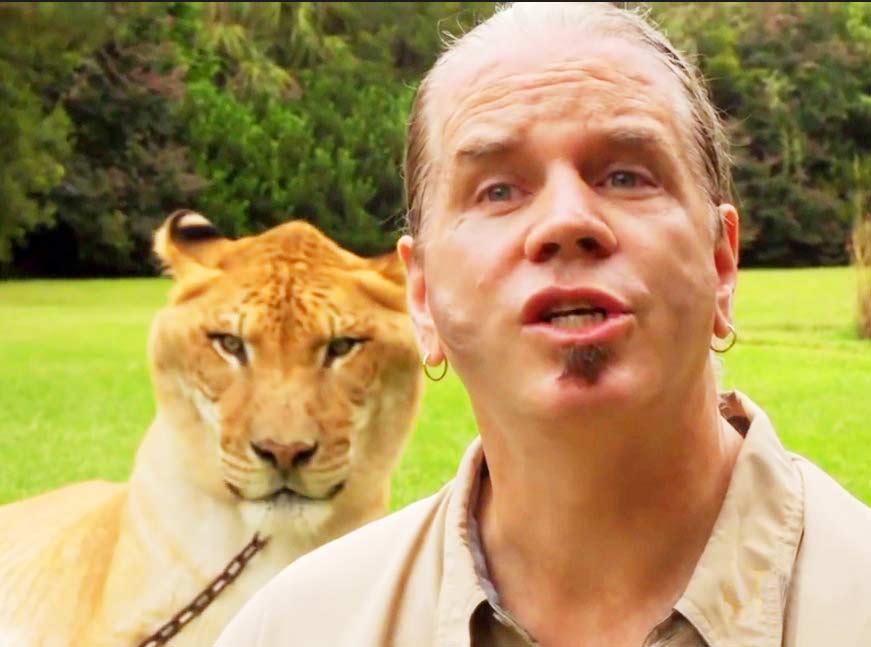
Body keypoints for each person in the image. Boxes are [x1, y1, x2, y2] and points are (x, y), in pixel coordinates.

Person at [216, 3, 871, 645]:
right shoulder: (295, 628)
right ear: (422, 297)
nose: (565, 221)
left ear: (720, 262)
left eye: (624, 175)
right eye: (498, 190)